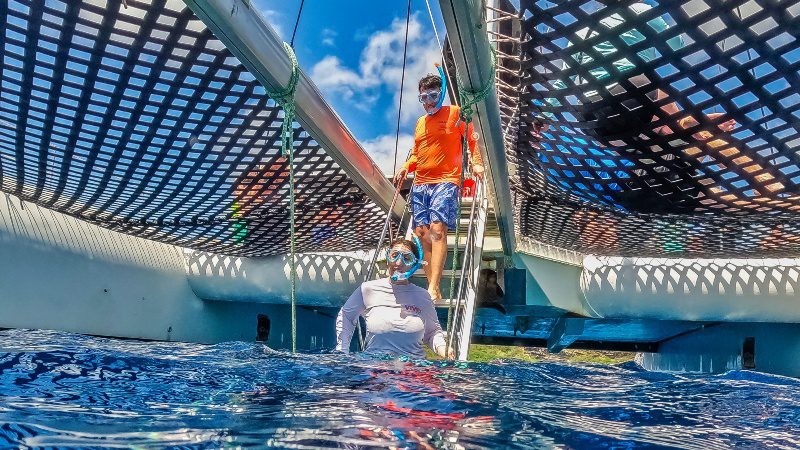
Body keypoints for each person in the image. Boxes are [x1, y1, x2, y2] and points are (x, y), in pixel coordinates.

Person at [393, 68, 484, 301]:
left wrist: (476, 164)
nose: (428, 102)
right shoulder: (420, 123)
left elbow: (472, 139)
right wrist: (406, 167)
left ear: (441, 93)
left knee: (437, 230)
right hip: (421, 183)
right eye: (423, 98)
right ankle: (434, 287)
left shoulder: (454, 113)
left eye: (433, 96)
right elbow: (417, 154)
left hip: (446, 180)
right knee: (422, 236)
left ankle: (432, 287)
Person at [335, 237, 452, 358]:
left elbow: (433, 333)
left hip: (413, 368)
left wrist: (443, 349)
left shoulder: (422, 296)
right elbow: (346, 316)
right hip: (376, 366)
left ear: (414, 265)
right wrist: (342, 351)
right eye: (394, 255)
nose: (398, 263)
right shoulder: (367, 289)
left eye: (407, 258)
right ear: (387, 259)